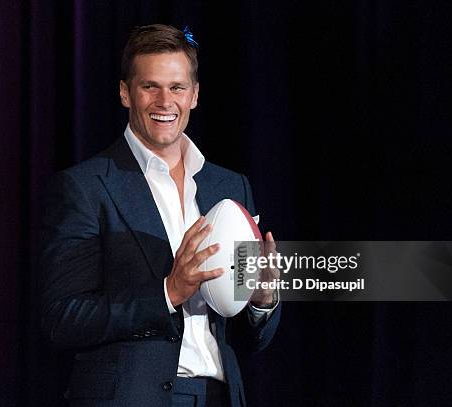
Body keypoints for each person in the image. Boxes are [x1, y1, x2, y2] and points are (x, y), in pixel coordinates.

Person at [40, 24, 281, 407]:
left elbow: (249, 339)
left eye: (177, 87)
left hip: (220, 396)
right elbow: (63, 319)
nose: (164, 101)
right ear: (125, 93)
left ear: (195, 95)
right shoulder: (86, 187)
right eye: (150, 86)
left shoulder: (231, 187)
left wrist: (261, 301)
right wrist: (168, 293)